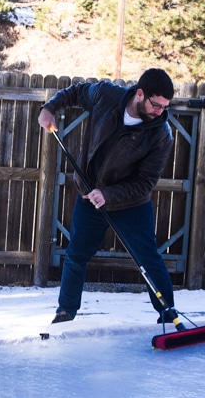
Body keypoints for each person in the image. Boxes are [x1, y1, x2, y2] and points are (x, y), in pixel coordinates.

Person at [37, 68, 178, 325]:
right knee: (76, 255)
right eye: (156, 105)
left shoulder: (161, 134)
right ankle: (65, 312)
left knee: (148, 259)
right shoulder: (105, 95)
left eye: (164, 107)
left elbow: (145, 183)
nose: (160, 112)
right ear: (140, 94)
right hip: (90, 196)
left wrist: (109, 194)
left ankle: (168, 315)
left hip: (130, 204)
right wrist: (50, 108)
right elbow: (76, 92)